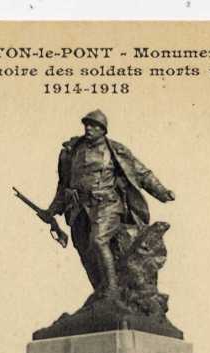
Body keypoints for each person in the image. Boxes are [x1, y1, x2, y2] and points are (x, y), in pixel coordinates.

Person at [42, 110, 175, 294]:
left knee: (98, 240)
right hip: (79, 210)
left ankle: (112, 289)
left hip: (107, 205)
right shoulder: (71, 152)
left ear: (103, 130)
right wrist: (52, 210)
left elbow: (141, 172)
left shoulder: (115, 150)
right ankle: (101, 293)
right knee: (86, 252)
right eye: (87, 124)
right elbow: (63, 184)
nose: (89, 128)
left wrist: (162, 191)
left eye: (94, 125)